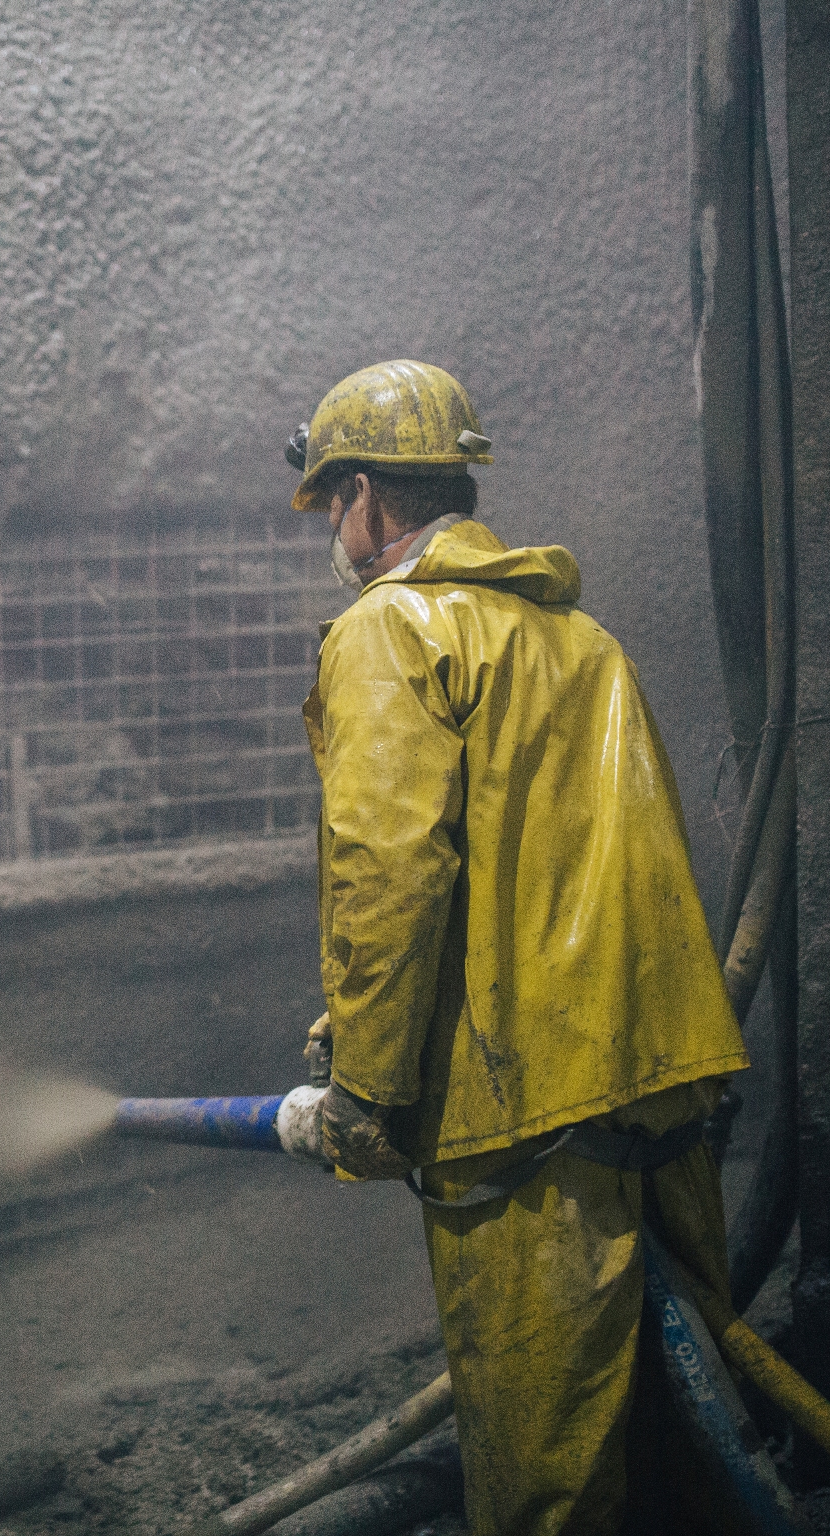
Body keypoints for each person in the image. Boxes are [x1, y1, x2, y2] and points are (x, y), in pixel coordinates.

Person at [287, 360, 751, 1535]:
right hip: (661, 1100)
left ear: (367, 502)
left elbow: (390, 871)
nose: (335, 536)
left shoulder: (389, 630)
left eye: (332, 505)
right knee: (688, 1453)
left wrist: (367, 1089)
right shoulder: (580, 640)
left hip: (528, 1127)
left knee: (552, 1486)